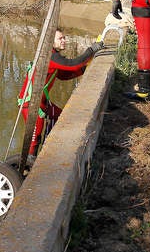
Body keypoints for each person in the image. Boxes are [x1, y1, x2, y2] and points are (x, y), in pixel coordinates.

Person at [18, 29, 103, 159]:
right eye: (60, 39)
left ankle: (48, 149)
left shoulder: (52, 56)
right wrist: (90, 51)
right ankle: (28, 167)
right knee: (34, 138)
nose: (64, 41)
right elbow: (72, 64)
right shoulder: (50, 56)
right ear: (50, 42)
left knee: (60, 117)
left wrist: (84, 68)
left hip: (42, 103)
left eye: (64, 38)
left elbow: (63, 75)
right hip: (30, 104)